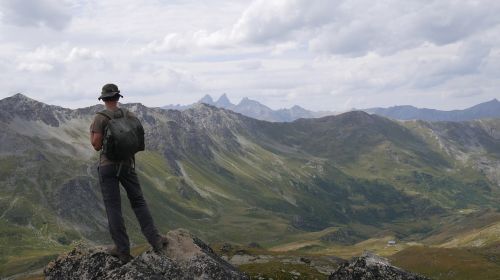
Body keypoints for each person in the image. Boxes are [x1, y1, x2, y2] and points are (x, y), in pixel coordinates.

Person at [90, 83, 167, 264]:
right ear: (117, 98)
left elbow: (96, 145)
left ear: (103, 99)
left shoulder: (100, 118)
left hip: (108, 167)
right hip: (127, 165)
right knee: (138, 202)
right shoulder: (129, 115)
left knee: (113, 207)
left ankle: (122, 250)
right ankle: (156, 240)